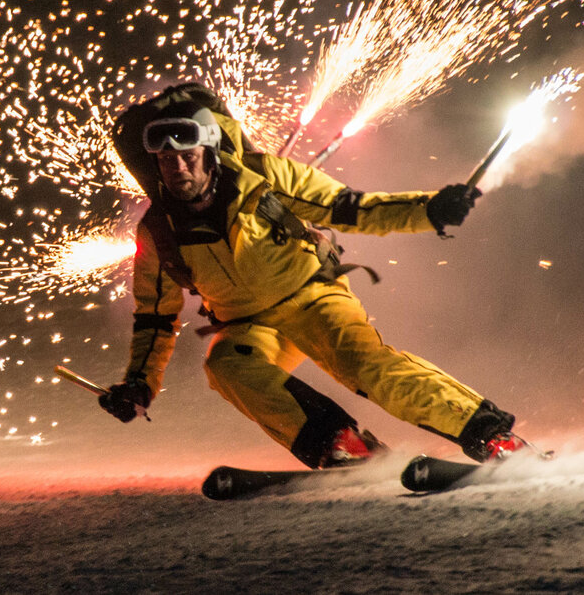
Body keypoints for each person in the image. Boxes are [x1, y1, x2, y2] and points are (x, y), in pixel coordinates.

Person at [98, 99, 530, 469]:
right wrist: (138, 384)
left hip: (312, 298)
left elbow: (350, 208)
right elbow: (155, 317)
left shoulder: (264, 179)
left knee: (364, 366)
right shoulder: (157, 231)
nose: (177, 167)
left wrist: (429, 210)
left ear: (208, 150)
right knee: (226, 366)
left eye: (186, 154)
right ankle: (343, 446)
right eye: (165, 159)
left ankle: (492, 436)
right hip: (248, 325)